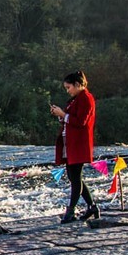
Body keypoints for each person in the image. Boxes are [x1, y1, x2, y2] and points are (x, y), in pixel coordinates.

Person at [50, 69, 99, 224]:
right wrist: (60, 115)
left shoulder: (86, 98)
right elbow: (70, 119)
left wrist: (63, 115)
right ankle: (92, 207)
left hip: (78, 144)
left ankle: (70, 211)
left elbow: (81, 122)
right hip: (70, 144)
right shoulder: (76, 99)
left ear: (77, 84)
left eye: (68, 87)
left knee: (76, 178)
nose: (68, 91)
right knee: (73, 177)